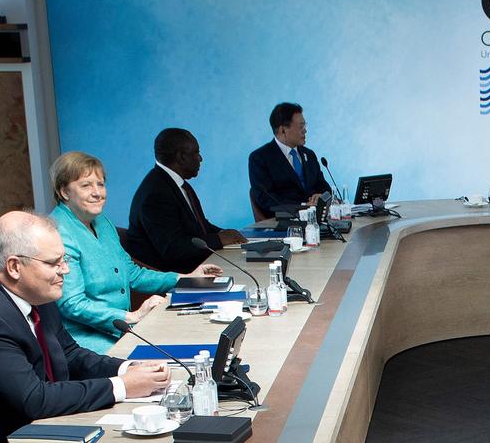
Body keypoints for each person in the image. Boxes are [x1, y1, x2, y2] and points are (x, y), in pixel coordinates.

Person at [0, 211, 172, 441]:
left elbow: (69, 353)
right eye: (53, 263)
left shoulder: (40, 297)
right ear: (14, 267)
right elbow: (33, 399)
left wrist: (129, 368)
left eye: (65, 260)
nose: (65, 271)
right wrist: (121, 386)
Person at [49, 152, 222, 354]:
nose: (97, 192)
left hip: (122, 328)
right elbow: (72, 304)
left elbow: (131, 273)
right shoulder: (58, 232)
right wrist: (131, 317)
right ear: (64, 192)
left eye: (101, 184)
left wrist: (184, 279)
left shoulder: (102, 222)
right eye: (86, 185)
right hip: (84, 340)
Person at [128, 128, 246, 273]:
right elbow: (173, 249)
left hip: (196, 265)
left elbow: (198, 226)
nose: (201, 159)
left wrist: (225, 233)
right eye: (196, 153)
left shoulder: (178, 184)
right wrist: (219, 239)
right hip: (173, 276)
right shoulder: (155, 194)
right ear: (181, 157)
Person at [248, 102, 332, 218]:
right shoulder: (260, 158)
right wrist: (302, 206)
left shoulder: (309, 154)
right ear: (283, 130)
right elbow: (265, 198)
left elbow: (324, 187)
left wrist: (321, 196)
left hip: (316, 221)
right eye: (301, 126)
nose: (305, 131)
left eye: (305, 125)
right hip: (282, 224)